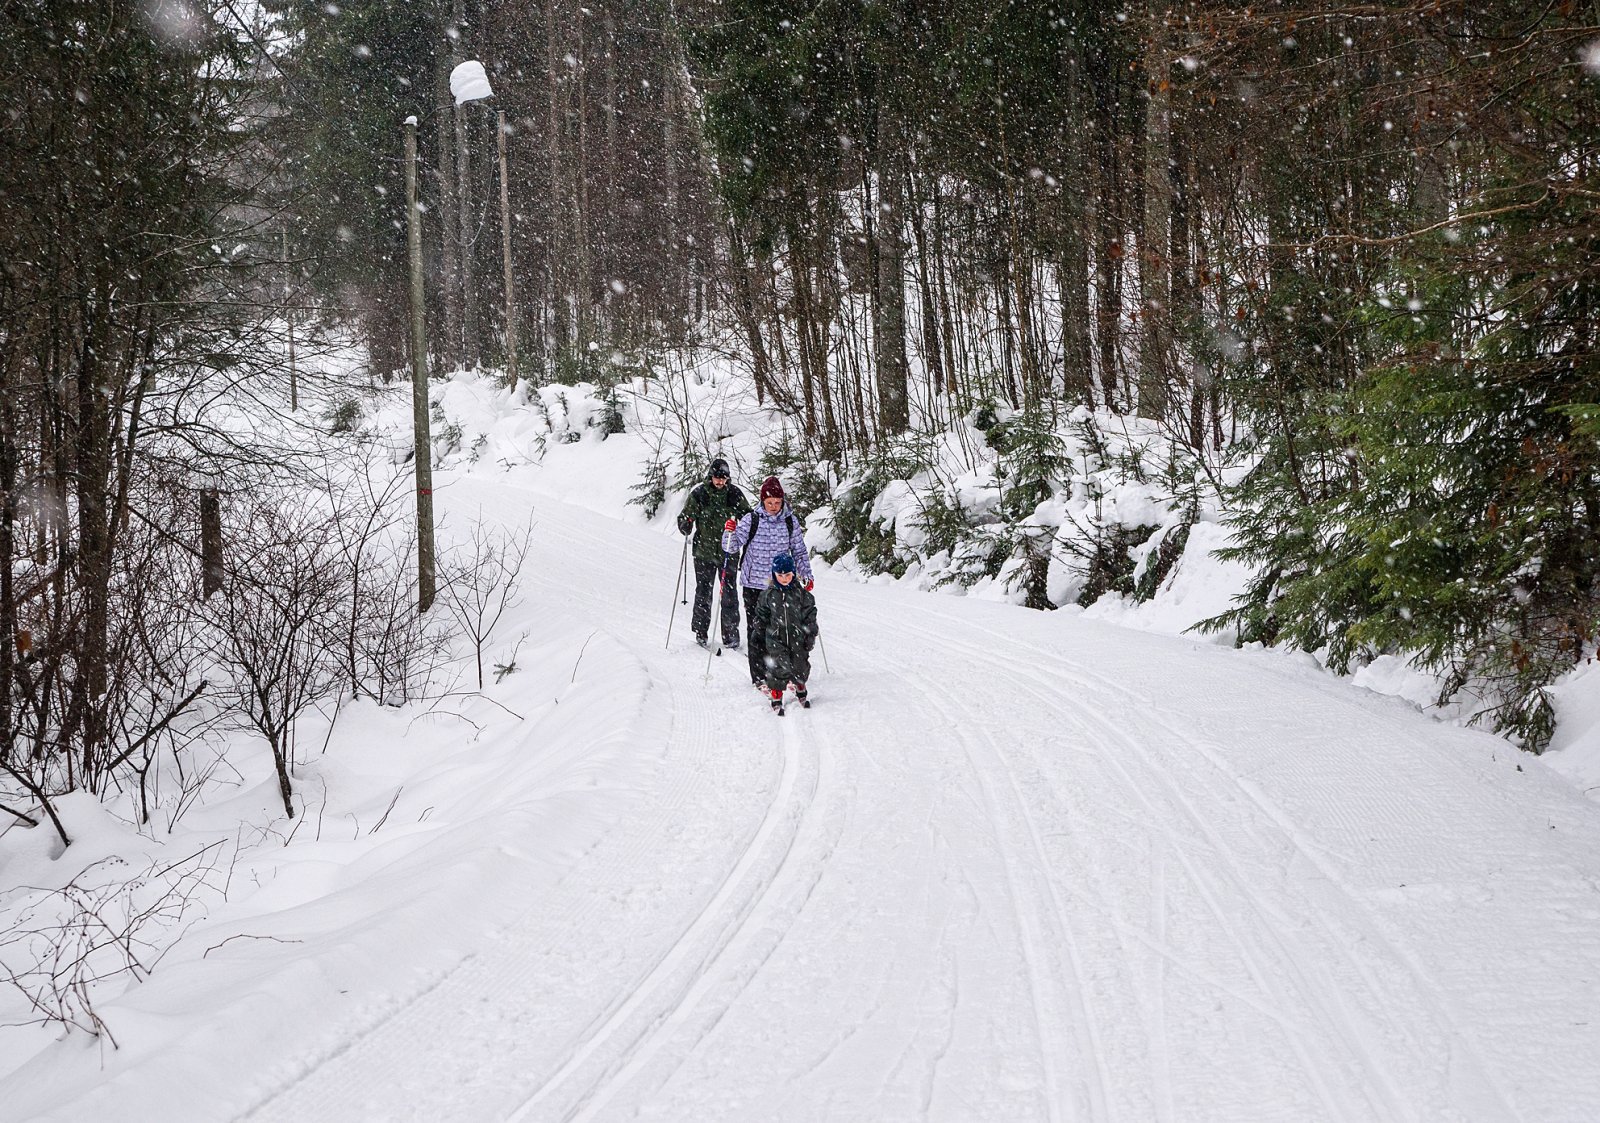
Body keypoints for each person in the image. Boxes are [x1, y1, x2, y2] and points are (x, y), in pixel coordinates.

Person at [722, 475, 814, 688]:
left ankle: (782, 672)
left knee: (784, 631)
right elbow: (731, 547)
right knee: (757, 631)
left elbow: (799, 551)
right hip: (754, 584)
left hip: (782, 584)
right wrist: (729, 532)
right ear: (762, 501)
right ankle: (759, 676)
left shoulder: (790, 521)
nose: (773, 507)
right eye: (769, 502)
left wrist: (806, 574)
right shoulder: (751, 519)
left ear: (783, 501)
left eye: (777, 502)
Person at [676, 458, 750, 649]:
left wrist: (744, 528)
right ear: (710, 477)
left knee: (729, 594)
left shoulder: (734, 494)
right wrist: (685, 523)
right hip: (704, 552)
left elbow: (748, 517)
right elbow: (685, 515)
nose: (720, 481)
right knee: (703, 592)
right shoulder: (700, 494)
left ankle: (731, 635)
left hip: (728, 551)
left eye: (723, 478)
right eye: (717, 478)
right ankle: (701, 632)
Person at [753, 552, 818, 714]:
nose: (784, 579)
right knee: (779, 666)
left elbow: (810, 614)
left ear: (793, 573)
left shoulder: (801, 594)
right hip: (776, 637)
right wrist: (760, 626)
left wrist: (810, 633)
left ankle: (800, 684)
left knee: (800, 664)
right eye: (780, 575)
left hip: (798, 636)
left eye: (788, 575)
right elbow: (762, 613)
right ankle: (776, 694)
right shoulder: (768, 595)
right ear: (774, 575)